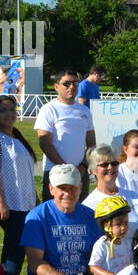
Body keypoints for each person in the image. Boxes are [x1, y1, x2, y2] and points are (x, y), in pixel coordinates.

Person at [21, 163, 101, 275]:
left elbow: (98, 255)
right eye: (62, 188)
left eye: (73, 188)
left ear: (80, 188)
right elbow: (35, 264)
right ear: (51, 189)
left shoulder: (90, 216)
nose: (68, 193)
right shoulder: (37, 217)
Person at [0, 94, 38, 275]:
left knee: (19, 247)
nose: (8, 114)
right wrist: (0, 202)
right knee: (14, 248)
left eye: (12, 109)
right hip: (9, 203)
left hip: (26, 202)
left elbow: (26, 173)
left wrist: (36, 200)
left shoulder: (17, 137)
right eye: (3, 110)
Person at [34, 70, 96, 201]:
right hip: (55, 171)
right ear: (56, 87)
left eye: (75, 83)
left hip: (80, 172)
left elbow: (91, 143)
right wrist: (65, 168)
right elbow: (44, 143)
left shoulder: (84, 111)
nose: (72, 87)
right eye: (66, 84)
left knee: (79, 212)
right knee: (54, 214)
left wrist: (83, 166)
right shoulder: (48, 109)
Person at [83, 144, 138, 230]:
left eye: (114, 163)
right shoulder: (87, 205)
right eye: (104, 165)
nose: (110, 167)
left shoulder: (132, 196)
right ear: (93, 170)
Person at [88, 196, 135, 275]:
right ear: (106, 225)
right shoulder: (102, 244)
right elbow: (93, 266)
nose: (123, 227)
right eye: (118, 224)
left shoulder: (127, 242)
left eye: (126, 223)